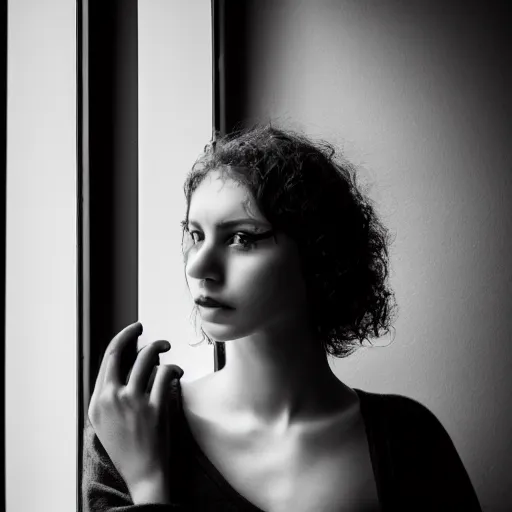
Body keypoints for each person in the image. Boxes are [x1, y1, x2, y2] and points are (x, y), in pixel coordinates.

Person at [82, 125, 482, 511]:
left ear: (318, 253)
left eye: (242, 238)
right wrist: (148, 480)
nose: (199, 266)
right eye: (195, 234)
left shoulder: (409, 440)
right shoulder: (134, 422)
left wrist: (150, 487)